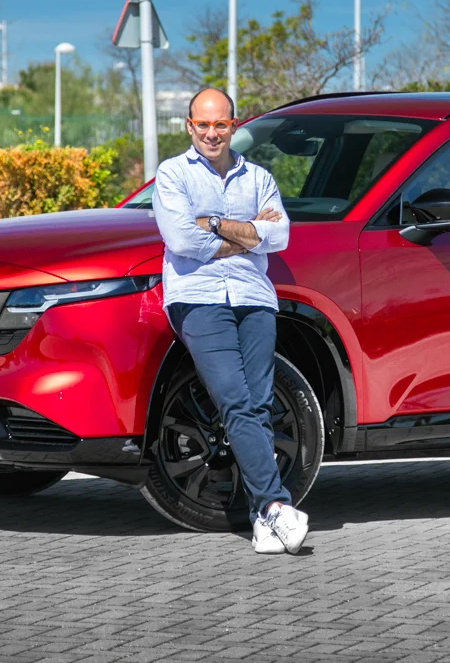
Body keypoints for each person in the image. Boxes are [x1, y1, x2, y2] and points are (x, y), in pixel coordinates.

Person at [151, 87, 310, 554]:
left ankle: (263, 522)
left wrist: (215, 223)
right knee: (236, 401)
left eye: (220, 124)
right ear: (189, 126)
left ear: (234, 125)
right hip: (198, 299)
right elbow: (181, 240)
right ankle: (276, 505)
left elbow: (279, 235)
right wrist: (247, 233)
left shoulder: (258, 178)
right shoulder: (173, 174)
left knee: (258, 403)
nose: (211, 133)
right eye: (202, 124)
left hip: (254, 298)